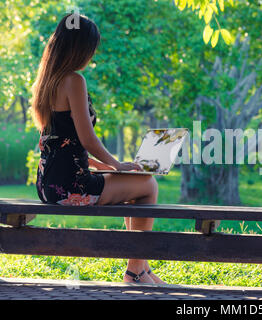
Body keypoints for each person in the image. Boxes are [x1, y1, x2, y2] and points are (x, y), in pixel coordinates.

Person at [30, 13, 163, 285]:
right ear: (80, 48)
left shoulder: (47, 82)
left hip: (48, 184)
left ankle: (143, 269)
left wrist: (107, 167)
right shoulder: (74, 81)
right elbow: (87, 139)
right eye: (91, 48)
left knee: (135, 184)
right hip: (71, 188)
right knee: (148, 186)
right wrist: (117, 166)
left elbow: (64, 144)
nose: (92, 55)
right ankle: (135, 272)